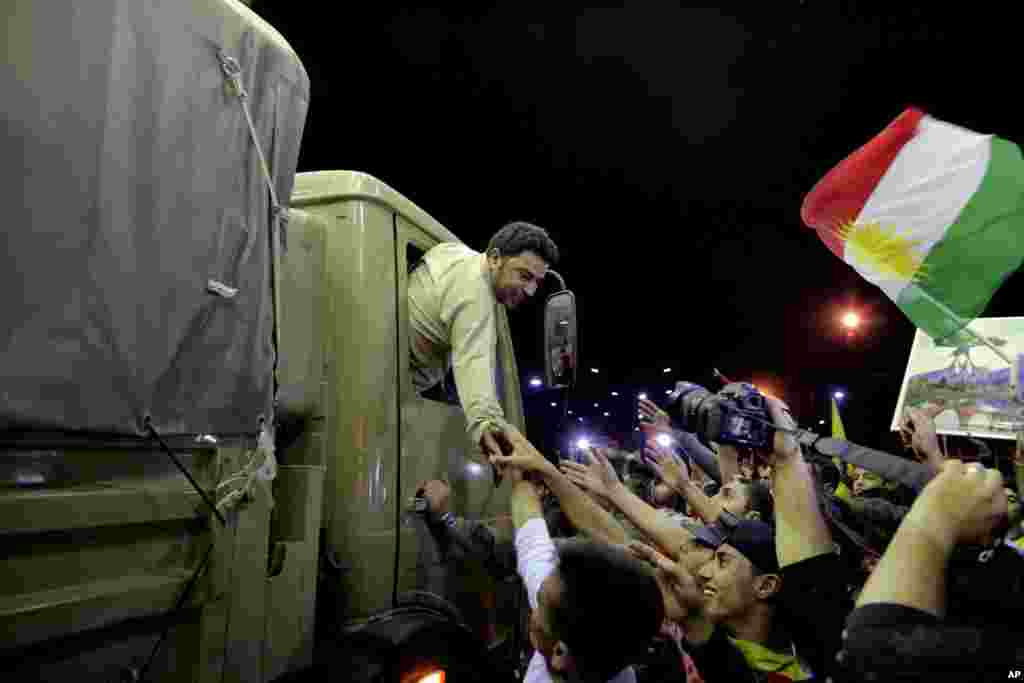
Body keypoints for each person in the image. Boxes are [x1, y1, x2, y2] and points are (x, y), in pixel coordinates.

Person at [496, 429, 665, 682]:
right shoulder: (574, 608)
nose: (533, 604)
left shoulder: (563, 601)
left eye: (538, 603)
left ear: (560, 652)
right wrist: (521, 477)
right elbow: (531, 536)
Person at [408, 221, 559, 463]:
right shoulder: (477, 294)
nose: (530, 291)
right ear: (495, 259)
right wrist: (488, 425)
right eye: (524, 276)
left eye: (536, 283)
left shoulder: (451, 253)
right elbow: (474, 358)